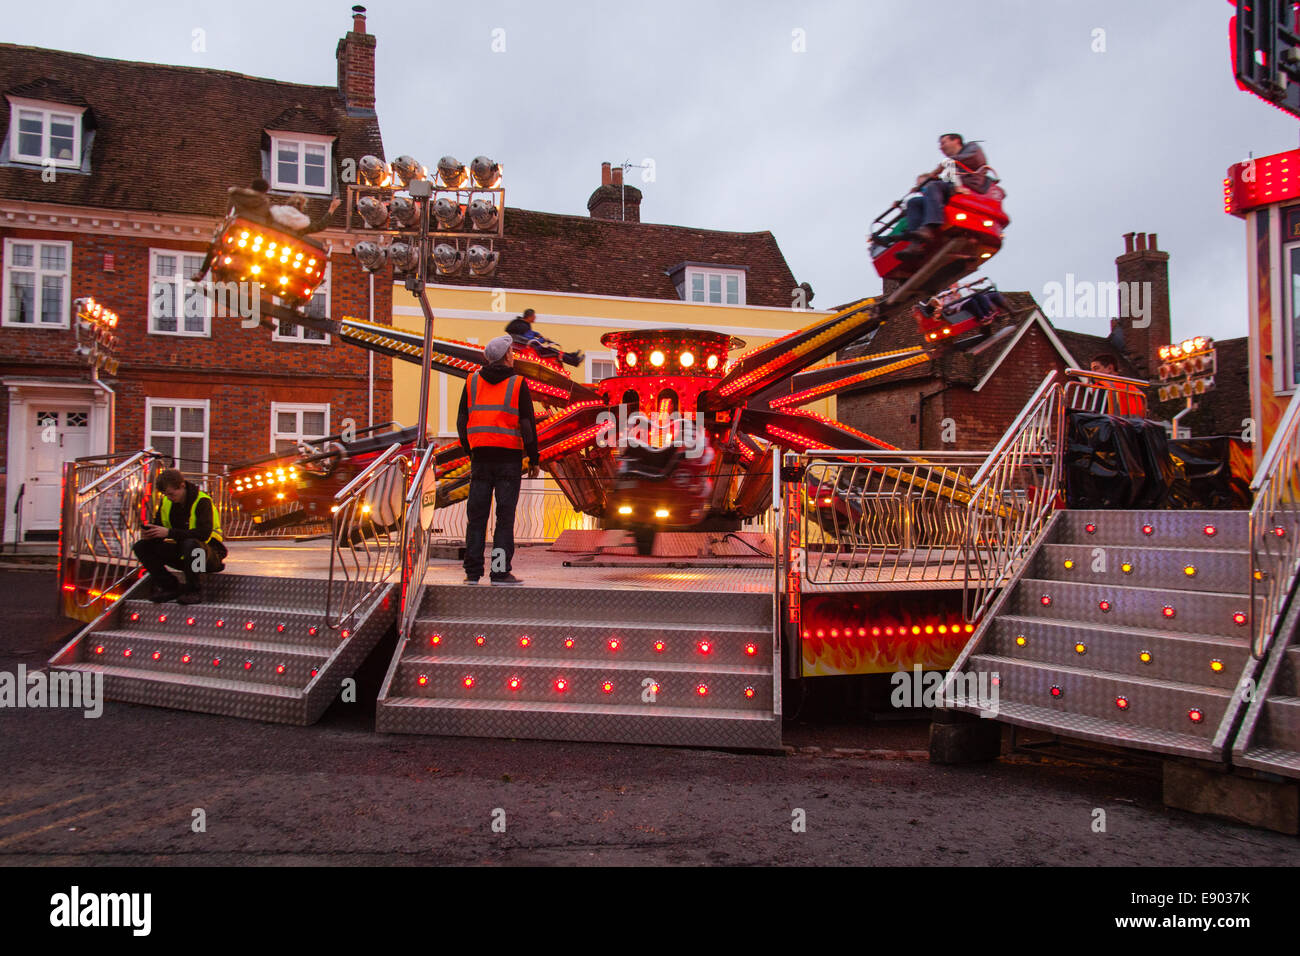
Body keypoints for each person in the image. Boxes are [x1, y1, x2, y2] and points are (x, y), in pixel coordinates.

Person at [457, 336, 541, 585]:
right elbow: (527, 424)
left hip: (481, 458)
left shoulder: (472, 382)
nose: (514, 356)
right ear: (506, 356)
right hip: (508, 460)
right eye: (512, 353)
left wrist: (468, 449)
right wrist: (534, 457)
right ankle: (499, 571)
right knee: (504, 517)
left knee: (477, 517)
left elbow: (462, 420)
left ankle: (472, 573)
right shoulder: (517, 384)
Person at [132, 468, 227, 605]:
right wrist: (151, 534)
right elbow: (161, 527)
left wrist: (169, 533)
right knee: (141, 547)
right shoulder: (167, 502)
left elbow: (203, 534)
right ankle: (170, 587)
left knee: (192, 545)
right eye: (166, 495)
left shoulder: (202, 501)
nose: (169, 498)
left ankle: (194, 591)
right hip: (184, 553)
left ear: (182, 486)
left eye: (171, 494)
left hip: (208, 554)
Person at [900, 134, 994, 253]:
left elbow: (965, 160)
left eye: (943, 143)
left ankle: (929, 227)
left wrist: (937, 170)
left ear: (956, 141)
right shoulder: (953, 165)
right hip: (953, 188)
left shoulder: (972, 149)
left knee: (933, 186)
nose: (941, 147)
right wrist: (921, 187)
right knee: (914, 202)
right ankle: (915, 243)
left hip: (970, 186)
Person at [505, 309, 584, 367]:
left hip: (532, 347)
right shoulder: (523, 326)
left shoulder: (521, 324)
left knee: (555, 350)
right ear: (529, 317)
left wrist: (537, 334)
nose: (535, 318)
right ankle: (574, 361)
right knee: (555, 352)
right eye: (534, 317)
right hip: (535, 349)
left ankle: (573, 356)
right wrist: (543, 340)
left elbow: (529, 334)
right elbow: (531, 340)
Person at [1089, 352, 1145, 416]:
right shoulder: (1135, 389)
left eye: (1096, 368)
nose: (1092, 373)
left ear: (1109, 368)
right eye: (1091, 370)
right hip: (1134, 425)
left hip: (1111, 424)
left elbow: (1094, 414)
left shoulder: (1103, 386)